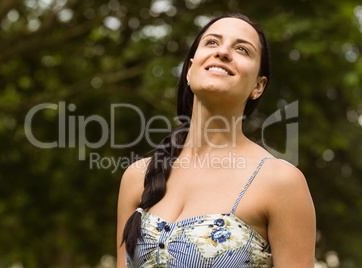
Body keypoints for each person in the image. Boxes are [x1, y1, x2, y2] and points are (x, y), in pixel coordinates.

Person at [116, 12, 316, 268]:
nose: (222, 52)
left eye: (242, 49)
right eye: (212, 42)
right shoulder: (138, 177)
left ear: (258, 86)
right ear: (189, 70)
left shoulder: (281, 182)